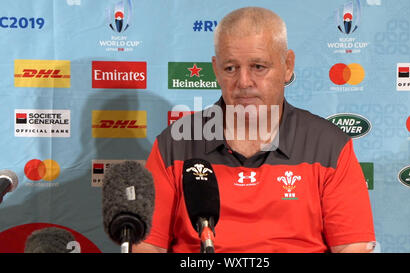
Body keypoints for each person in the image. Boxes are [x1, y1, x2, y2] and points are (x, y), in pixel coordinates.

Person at [134, 7, 375, 253]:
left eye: (258, 66)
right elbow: (147, 246)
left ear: (288, 65)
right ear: (216, 70)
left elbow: (352, 247)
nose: (244, 82)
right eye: (231, 68)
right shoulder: (174, 143)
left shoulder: (329, 145)